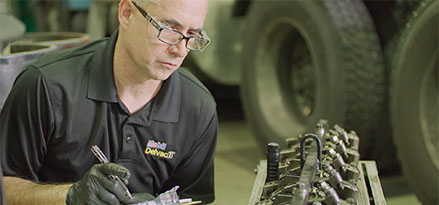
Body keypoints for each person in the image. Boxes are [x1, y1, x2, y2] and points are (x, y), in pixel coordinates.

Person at [0, 0, 217, 204]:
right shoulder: (47, 87)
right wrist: (69, 196)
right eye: (169, 30)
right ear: (126, 13)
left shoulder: (197, 107)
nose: (180, 50)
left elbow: (193, 199)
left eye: (192, 35)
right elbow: (5, 188)